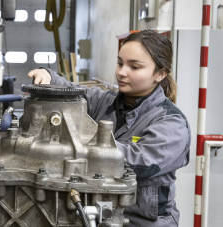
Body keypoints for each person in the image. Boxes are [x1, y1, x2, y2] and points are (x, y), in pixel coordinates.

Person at [28, 30, 190, 226]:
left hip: (145, 222)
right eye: (120, 63)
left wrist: (77, 144)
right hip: (103, 216)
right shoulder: (105, 102)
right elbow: (72, 91)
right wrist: (49, 76)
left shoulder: (172, 124)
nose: (122, 72)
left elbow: (137, 162)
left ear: (160, 73)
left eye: (135, 67)